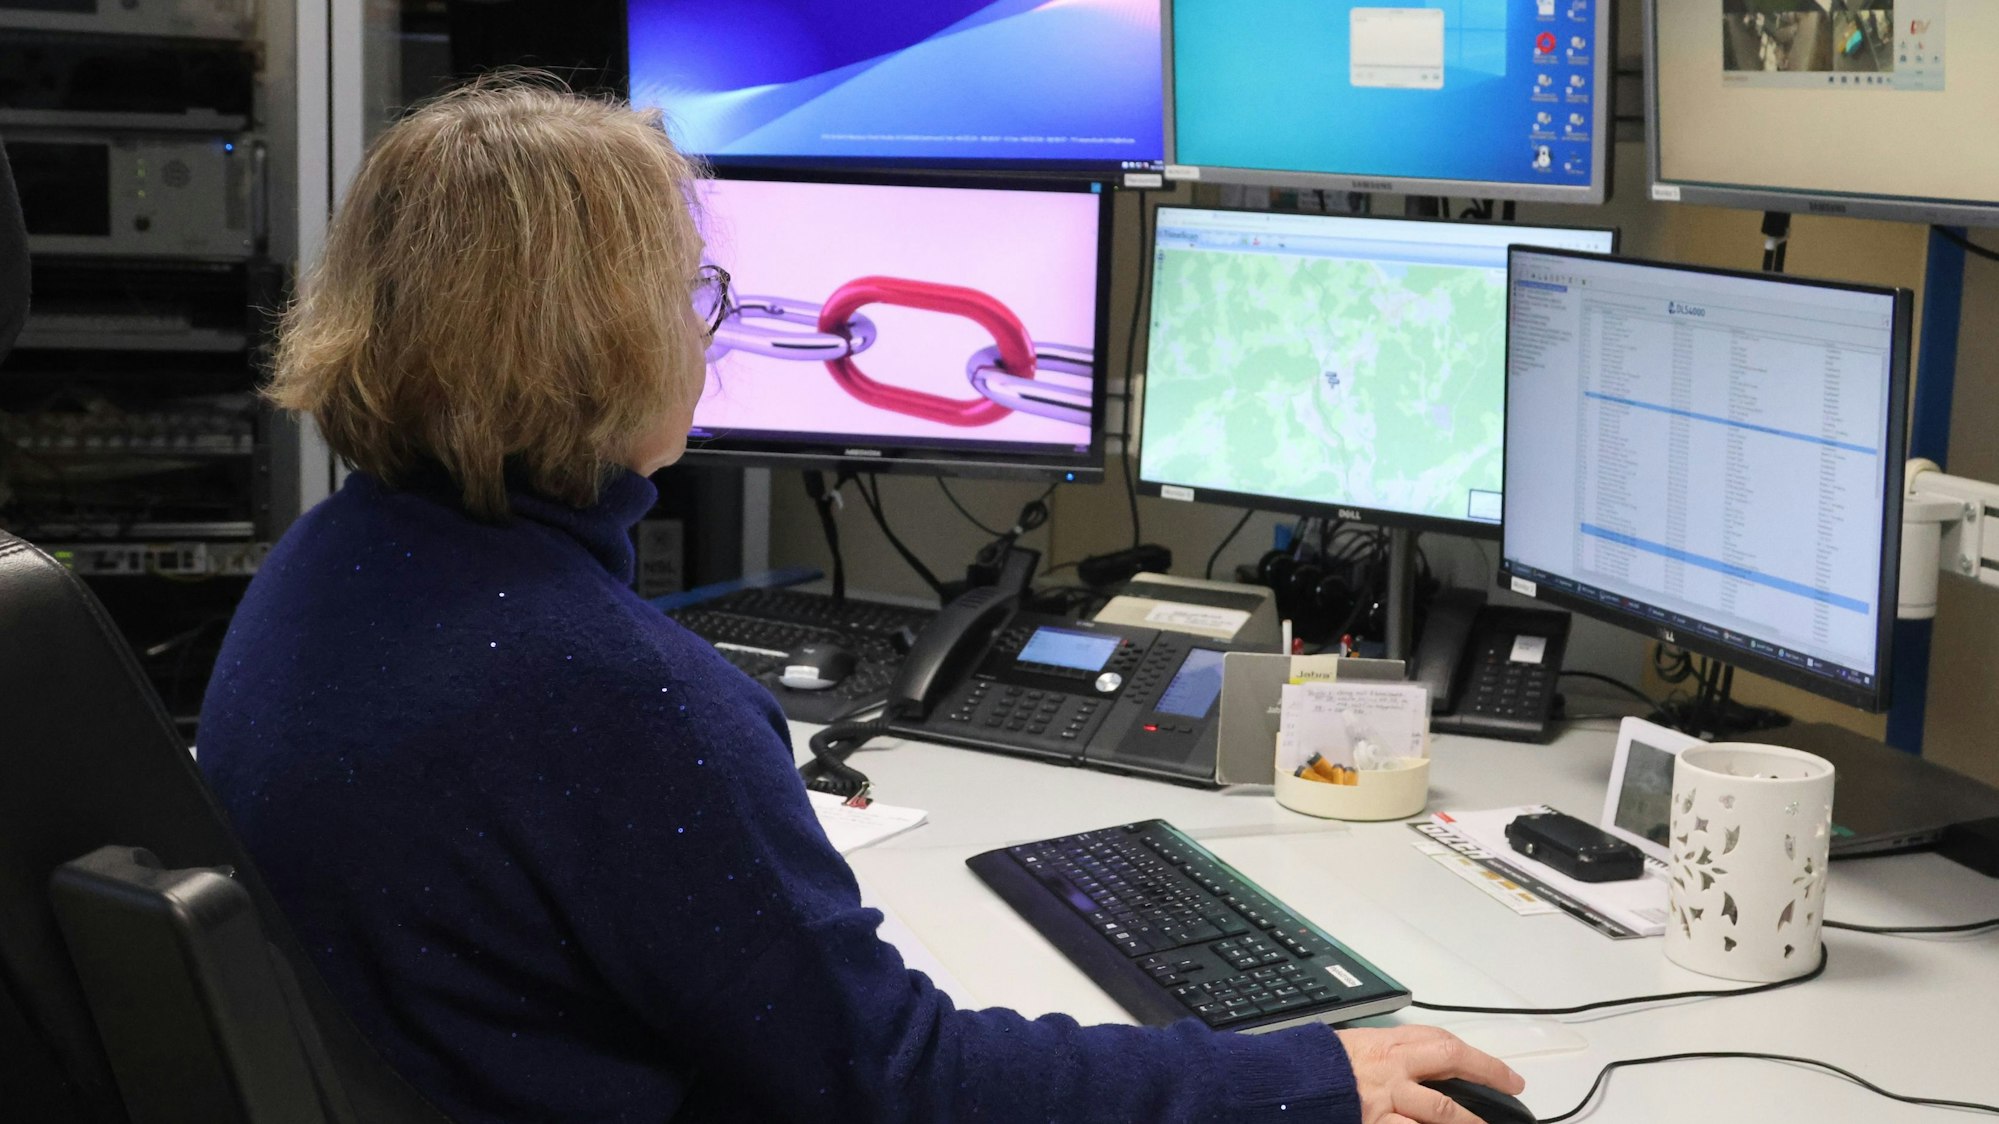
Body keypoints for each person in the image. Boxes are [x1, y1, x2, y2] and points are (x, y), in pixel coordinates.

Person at [199, 78, 1525, 1124]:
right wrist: (1299, 1080)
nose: (709, 330)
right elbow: (896, 1084)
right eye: (691, 294)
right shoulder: (612, 691)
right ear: (604, 347)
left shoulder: (328, 567)